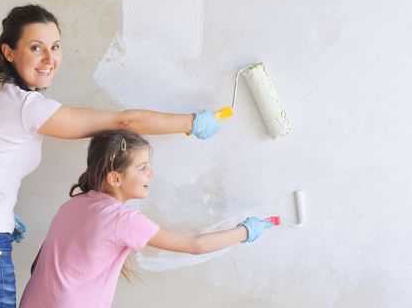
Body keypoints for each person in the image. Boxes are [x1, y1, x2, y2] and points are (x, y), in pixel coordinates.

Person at [0, 4, 222, 307]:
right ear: (9, 52)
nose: (50, 59)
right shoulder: (26, 107)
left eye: (56, 47)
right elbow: (123, 122)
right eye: (36, 48)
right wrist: (191, 122)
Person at [19, 130, 274, 308]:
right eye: (142, 168)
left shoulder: (72, 205)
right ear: (115, 179)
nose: (151, 173)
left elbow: (36, 266)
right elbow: (195, 245)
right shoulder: (124, 220)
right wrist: (245, 231)